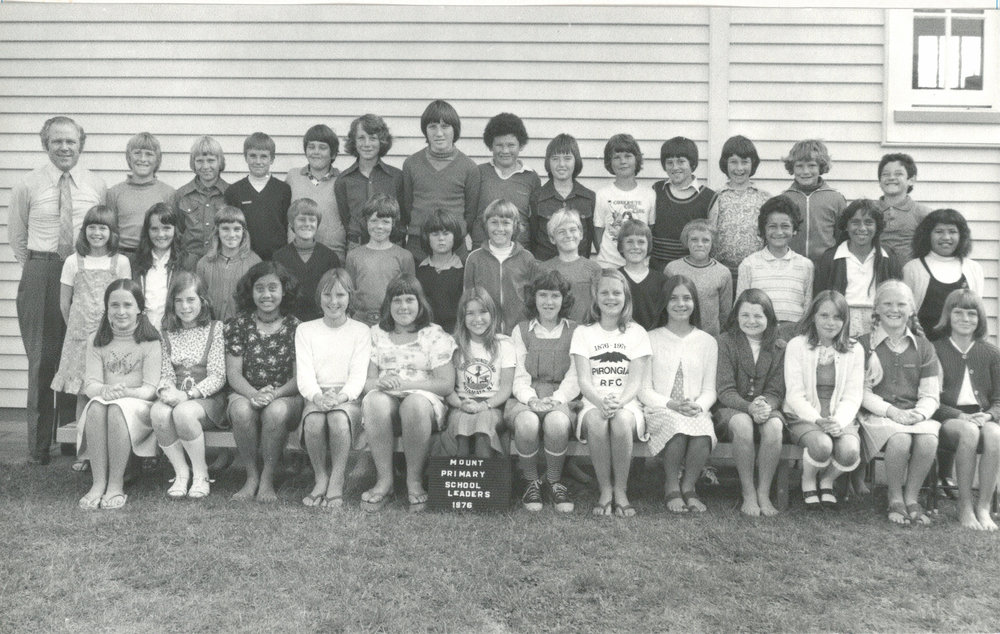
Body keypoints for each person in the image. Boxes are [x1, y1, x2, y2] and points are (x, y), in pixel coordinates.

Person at [10, 116, 105, 465]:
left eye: (71, 141)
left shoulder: (96, 184)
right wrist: (43, 268)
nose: (65, 148)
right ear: (45, 144)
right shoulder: (28, 185)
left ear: (81, 144)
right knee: (42, 358)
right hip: (43, 270)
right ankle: (38, 447)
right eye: (57, 141)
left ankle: (69, 440)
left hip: (83, 273)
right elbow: (17, 237)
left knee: (77, 354)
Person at [361, 275, 456, 512]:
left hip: (423, 401)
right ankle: (384, 481)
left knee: (413, 404)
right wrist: (380, 382)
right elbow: (366, 383)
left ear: (420, 303)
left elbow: (446, 384)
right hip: (387, 399)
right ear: (388, 304)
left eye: (409, 300)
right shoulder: (376, 334)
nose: (403, 307)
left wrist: (405, 385)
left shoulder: (434, 334)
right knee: (375, 402)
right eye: (397, 300)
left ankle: (414, 480)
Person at [859, 280, 941, 525]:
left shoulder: (924, 347)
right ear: (876, 308)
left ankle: (911, 497)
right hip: (878, 415)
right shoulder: (863, 344)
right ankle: (895, 498)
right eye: (887, 304)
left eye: (901, 304)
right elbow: (861, 392)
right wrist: (891, 411)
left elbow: (930, 394)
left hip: (913, 414)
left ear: (911, 309)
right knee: (900, 438)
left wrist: (919, 414)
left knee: (928, 439)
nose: (894, 309)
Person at [571, 269, 651, 517]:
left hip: (627, 403)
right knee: (597, 421)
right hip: (593, 402)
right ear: (595, 296)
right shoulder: (583, 332)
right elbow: (583, 380)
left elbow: (635, 382)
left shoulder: (637, 333)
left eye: (617, 292)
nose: (610, 298)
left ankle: (621, 490)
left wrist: (618, 403)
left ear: (626, 297)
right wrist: (599, 401)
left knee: (620, 421)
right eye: (604, 292)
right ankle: (605, 489)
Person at [75, 279, 161, 510]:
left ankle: (115, 485)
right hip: (105, 399)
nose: (121, 311)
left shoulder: (151, 341)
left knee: (116, 409)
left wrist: (126, 393)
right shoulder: (97, 339)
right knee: (95, 407)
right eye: (114, 305)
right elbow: (91, 384)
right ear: (107, 308)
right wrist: (105, 390)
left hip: (138, 404)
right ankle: (98, 483)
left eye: (127, 305)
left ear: (139, 308)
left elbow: (150, 389)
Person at [224, 262, 302, 502]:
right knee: (241, 411)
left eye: (272, 288)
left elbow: (299, 378)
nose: (266, 294)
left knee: (275, 412)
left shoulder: (296, 327)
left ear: (284, 291)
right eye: (259, 288)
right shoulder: (239, 325)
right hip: (246, 391)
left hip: (285, 395)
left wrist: (274, 394)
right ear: (250, 292)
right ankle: (251, 476)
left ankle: (268, 478)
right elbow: (234, 373)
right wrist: (253, 395)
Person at [52, 205, 132, 436]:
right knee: (84, 393)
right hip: (80, 339)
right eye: (92, 227)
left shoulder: (120, 262)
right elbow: (64, 304)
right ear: (84, 230)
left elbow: (127, 300)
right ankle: (84, 446)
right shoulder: (73, 262)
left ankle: (112, 443)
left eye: (103, 228)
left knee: (112, 389)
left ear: (112, 232)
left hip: (112, 336)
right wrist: (78, 329)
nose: (97, 233)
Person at [641, 276, 717, 514]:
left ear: (695, 303)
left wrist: (699, 406)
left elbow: (709, 390)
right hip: (660, 409)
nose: (680, 304)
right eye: (673, 298)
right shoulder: (650, 338)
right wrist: (671, 404)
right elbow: (644, 389)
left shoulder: (707, 342)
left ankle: (689, 486)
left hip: (693, 408)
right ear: (664, 302)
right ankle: (671, 485)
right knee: (677, 426)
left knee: (703, 428)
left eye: (686, 298)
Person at [295, 268, 371, 508]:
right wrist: (318, 397)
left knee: (338, 420)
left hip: (348, 397)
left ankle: (337, 480)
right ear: (319, 297)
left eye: (340, 295)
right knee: (314, 421)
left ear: (350, 297)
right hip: (316, 395)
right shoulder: (305, 330)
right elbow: (304, 374)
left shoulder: (361, 331)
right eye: (327, 294)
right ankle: (321, 478)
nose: (333, 301)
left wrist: (340, 398)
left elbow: (358, 376)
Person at [506, 270, 580, 512]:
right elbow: (519, 375)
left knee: (557, 423)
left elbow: (575, 376)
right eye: (543, 295)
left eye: (555, 296)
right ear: (534, 298)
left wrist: (556, 400)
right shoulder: (521, 330)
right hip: (526, 395)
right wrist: (531, 399)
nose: (549, 302)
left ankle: (554, 481)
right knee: (527, 422)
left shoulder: (576, 331)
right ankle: (531, 482)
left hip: (562, 397)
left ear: (564, 299)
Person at [783, 291, 865, 510]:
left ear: (845, 320)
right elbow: (794, 394)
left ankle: (827, 480)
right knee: (822, 445)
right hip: (804, 415)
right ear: (813, 316)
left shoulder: (855, 349)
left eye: (837, 317)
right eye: (824, 315)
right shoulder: (797, 345)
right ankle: (808, 479)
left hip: (839, 415)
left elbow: (853, 395)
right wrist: (818, 419)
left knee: (850, 451)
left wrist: (838, 421)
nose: (830, 322)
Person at [150, 272, 226, 500]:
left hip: (207, 398)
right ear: (172, 304)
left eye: (191, 300)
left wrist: (187, 395)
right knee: (158, 412)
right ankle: (181, 472)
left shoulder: (215, 328)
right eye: (179, 301)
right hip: (177, 394)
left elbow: (218, 375)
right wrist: (166, 391)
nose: (185, 307)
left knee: (183, 413)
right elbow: (165, 372)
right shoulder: (166, 333)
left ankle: (201, 474)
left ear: (203, 301)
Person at [931, 289, 1000, 531]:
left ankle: (984, 507)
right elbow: (930, 399)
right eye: (958, 312)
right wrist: (959, 415)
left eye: (972, 314)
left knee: (995, 434)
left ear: (980, 319)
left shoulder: (991, 353)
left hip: (983, 416)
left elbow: (999, 399)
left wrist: (989, 415)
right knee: (969, 431)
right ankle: (965, 505)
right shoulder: (934, 350)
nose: (965, 319)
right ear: (948, 316)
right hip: (949, 418)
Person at [715, 289, 786, 517]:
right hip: (731, 408)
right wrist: (749, 407)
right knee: (743, 424)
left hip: (766, 407)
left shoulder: (779, 347)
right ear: (736, 316)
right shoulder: (725, 342)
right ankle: (748, 492)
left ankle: (763, 492)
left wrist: (765, 405)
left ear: (769, 318)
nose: (751, 321)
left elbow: (776, 390)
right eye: (745, 315)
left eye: (758, 316)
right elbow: (725, 390)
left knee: (775, 426)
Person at [401, 99, 481, 262]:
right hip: (418, 246)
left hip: (454, 246)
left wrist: (454, 233)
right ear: (425, 130)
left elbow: (470, 213)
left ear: (454, 129)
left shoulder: (469, 167)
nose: (439, 133)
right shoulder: (411, 164)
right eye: (432, 126)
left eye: (445, 126)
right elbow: (407, 207)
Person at [443, 287, 515, 458]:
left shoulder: (504, 344)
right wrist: (460, 404)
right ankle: (461, 474)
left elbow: (506, 388)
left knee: (483, 427)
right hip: (461, 404)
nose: (477, 319)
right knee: (461, 426)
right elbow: (447, 387)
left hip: (492, 405)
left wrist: (484, 406)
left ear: (492, 313)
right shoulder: (451, 344)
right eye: (470, 313)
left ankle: (486, 473)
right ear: (462, 317)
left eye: (483, 312)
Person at [814, 199, 903, 336]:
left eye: (868, 222)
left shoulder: (888, 257)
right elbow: (820, 299)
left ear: (877, 227)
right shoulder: (830, 258)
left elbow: (897, 295)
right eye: (855, 222)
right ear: (846, 226)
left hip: (879, 323)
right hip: (841, 323)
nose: (862, 228)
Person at [737, 195, 814, 337]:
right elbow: (740, 308)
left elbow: (808, 308)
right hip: (759, 333)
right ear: (763, 229)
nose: (779, 232)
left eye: (785, 226)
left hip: (794, 335)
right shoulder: (749, 264)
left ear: (794, 229)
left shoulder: (806, 265)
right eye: (772, 226)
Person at [903, 208, 983, 341]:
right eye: (939, 231)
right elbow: (907, 314)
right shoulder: (912, 268)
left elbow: (977, 314)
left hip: (961, 345)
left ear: (961, 236)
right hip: (924, 344)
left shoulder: (974, 269)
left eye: (952, 231)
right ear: (928, 235)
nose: (946, 237)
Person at [463, 198, 539, 335]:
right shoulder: (474, 259)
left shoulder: (527, 258)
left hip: (519, 333)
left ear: (515, 226)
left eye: (506, 223)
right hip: (485, 332)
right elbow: (468, 300)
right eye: (494, 222)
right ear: (486, 225)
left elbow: (534, 299)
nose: (500, 228)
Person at [472, 112, 541, 250]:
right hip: (483, 252)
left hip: (519, 253)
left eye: (511, 145)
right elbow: (470, 214)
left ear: (521, 145)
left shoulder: (531, 177)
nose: (505, 150)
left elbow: (535, 222)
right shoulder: (478, 173)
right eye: (499, 145)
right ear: (490, 146)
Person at [335, 114, 403, 253]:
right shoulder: (344, 180)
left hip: (391, 245)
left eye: (373, 138)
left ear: (382, 141)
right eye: (361, 138)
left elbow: (404, 216)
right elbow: (345, 218)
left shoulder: (396, 177)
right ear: (354, 141)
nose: (367, 144)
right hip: (357, 246)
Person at [345, 194, 416, 325]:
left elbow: (410, 294)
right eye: (374, 221)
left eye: (385, 222)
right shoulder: (353, 256)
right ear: (366, 221)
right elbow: (349, 292)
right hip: (360, 322)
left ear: (393, 223)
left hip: (393, 321)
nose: (379, 226)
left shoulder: (405, 256)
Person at [707, 135, 770, 282]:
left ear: (753, 164)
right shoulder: (715, 197)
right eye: (733, 162)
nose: (739, 168)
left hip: (755, 271)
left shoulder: (764, 198)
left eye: (744, 162)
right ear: (725, 164)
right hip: (721, 271)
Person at [649, 136, 717, 271]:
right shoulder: (657, 190)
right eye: (670, 162)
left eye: (681, 162)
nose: (675, 167)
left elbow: (712, 239)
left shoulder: (709, 198)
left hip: (692, 269)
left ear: (692, 163)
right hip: (658, 268)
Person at [105, 132, 175, 261]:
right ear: (128, 157)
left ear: (157, 159)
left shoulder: (168, 193)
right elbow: (110, 232)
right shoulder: (114, 193)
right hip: (122, 256)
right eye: (137, 153)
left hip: (156, 256)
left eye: (149, 154)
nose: (143, 159)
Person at [224, 132, 292, 262]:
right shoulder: (234, 191)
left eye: (264, 156)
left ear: (272, 159)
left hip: (276, 259)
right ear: (246, 157)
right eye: (253, 156)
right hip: (243, 258)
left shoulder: (283, 190)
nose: (258, 161)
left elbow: (286, 225)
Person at [592, 133, 656, 270]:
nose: (623, 161)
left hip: (639, 264)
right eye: (617, 157)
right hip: (609, 264)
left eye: (628, 156)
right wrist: (607, 256)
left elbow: (650, 231)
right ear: (609, 162)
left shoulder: (649, 195)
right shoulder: (602, 194)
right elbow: (598, 230)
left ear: (637, 159)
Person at [272, 198, 341, 322]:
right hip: (288, 321)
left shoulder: (329, 257)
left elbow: (335, 293)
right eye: (302, 219)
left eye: (312, 220)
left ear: (317, 224)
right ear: (291, 223)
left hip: (321, 321)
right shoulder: (279, 257)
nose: (307, 224)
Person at [529, 133, 595, 260]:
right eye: (555, 159)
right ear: (548, 162)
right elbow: (532, 240)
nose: (561, 164)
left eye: (567, 158)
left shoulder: (589, 198)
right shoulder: (537, 198)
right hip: (545, 268)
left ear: (576, 161)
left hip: (578, 269)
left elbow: (589, 240)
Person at [286, 124, 346, 259]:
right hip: (297, 254)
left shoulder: (342, 180)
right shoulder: (293, 177)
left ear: (333, 153)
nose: (316, 152)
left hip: (333, 254)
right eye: (311, 147)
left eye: (322, 147)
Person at [781, 139, 847, 262]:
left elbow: (843, 237)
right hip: (791, 265)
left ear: (821, 167)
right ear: (792, 168)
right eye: (799, 166)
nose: (805, 172)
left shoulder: (836, 199)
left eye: (811, 165)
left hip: (826, 266)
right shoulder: (784, 199)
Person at [665, 219, 732, 336]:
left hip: (710, 336)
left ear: (713, 243)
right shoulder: (672, 269)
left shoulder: (723, 272)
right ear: (686, 241)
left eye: (705, 240)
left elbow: (725, 312)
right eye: (694, 239)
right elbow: (665, 305)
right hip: (677, 334)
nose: (700, 244)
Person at [196, 206, 262, 323]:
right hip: (211, 325)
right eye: (225, 229)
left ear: (243, 232)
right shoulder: (204, 263)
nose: (231, 235)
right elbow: (200, 298)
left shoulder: (255, 262)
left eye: (237, 229)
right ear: (217, 231)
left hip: (244, 326)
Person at [537, 208, 601, 324]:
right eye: (561, 232)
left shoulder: (593, 268)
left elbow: (599, 305)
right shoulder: (544, 269)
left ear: (580, 234)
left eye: (573, 230)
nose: (568, 235)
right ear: (552, 239)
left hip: (586, 328)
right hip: (556, 330)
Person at [132, 202, 189, 333]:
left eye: (166, 228)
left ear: (175, 229)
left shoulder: (187, 262)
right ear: (147, 231)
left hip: (175, 333)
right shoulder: (135, 262)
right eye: (154, 229)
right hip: (142, 333)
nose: (161, 234)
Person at [174, 135, 228, 269]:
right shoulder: (182, 195)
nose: (205, 166)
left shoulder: (230, 194)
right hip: (189, 263)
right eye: (199, 161)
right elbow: (177, 231)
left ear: (220, 162)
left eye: (211, 160)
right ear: (193, 163)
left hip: (221, 263)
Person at [415, 210, 464, 333]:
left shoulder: (464, 270)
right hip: (425, 333)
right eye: (435, 234)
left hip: (456, 333)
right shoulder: (419, 271)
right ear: (427, 237)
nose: (441, 239)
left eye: (446, 233)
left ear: (455, 236)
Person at [876, 153, 930, 265]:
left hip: (909, 273)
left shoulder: (922, 213)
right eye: (885, 174)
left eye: (898, 174)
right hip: (875, 272)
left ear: (911, 180)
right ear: (880, 181)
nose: (891, 178)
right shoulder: (869, 211)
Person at [617, 219, 666, 331]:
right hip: (622, 337)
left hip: (654, 337)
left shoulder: (661, 280)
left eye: (641, 242)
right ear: (621, 246)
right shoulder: (614, 278)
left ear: (648, 246)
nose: (635, 246)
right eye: (629, 241)